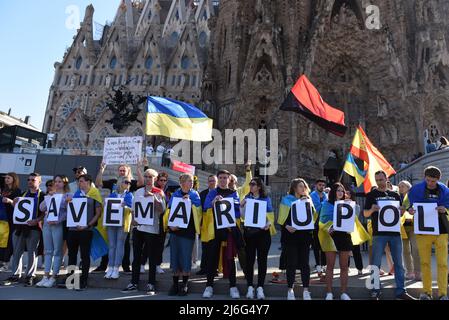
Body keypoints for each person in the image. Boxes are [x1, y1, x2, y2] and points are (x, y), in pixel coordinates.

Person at [364, 171, 415, 300]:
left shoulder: (395, 195)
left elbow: (400, 214)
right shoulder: (371, 195)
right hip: (378, 233)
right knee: (375, 263)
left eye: (381, 179)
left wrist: (403, 211)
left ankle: (401, 291)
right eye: (377, 180)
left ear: (386, 179)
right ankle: (375, 290)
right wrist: (372, 210)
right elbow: (365, 214)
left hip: (395, 232)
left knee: (399, 263)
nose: (379, 182)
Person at [319, 183, 369, 300]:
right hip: (330, 236)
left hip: (345, 236)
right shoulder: (327, 204)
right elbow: (322, 220)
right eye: (338, 190)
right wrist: (329, 227)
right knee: (330, 266)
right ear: (333, 192)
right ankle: (329, 293)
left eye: (342, 190)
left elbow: (353, 220)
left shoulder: (348, 204)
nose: (340, 192)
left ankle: (343, 293)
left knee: (344, 267)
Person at [406, 166, 449, 300]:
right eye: (428, 180)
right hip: (422, 230)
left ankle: (443, 293)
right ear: (424, 177)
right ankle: (426, 292)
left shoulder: (445, 190)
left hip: (441, 229)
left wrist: (445, 209)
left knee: (442, 263)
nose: (430, 183)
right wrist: (410, 210)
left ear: (438, 180)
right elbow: (407, 205)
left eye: (433, 181)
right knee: (425, 262)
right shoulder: (415, 190)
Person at [121, 169, 166, 295]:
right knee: (136, 257)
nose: (147, 179)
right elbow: (135, 209)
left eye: (150, 177)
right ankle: (133, 282)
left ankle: (151, 283)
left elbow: (161, 210)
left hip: (152, 229)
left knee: (151, 257)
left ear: (155, 179)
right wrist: (134, 220)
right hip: (139, 229)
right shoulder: (138, 191)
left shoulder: (159, 192)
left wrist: (154, 198)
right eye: (146, 176)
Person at [95, 162, 144, 273]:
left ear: (128, 172)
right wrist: (101, 170)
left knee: (123, 244)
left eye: (124, 170)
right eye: (120, 170)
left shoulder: (130, 183)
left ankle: (124, 266)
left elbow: (141, 183)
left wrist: (139, 169)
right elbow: (98, 183)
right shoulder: (113, 183)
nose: (121, 172)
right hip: (112, 218)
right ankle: (107, 266)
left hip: (124, 219)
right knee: (111, 244)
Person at [201, 169, 242, 299]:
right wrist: (213, 202)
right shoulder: (213, 192)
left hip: (229, 230)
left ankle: (233, 286)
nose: (223, 180)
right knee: (212, 258)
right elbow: (205, 206)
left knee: (230, 258)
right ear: (218, 179)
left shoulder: (233, 193)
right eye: (221, 178)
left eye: (226, 177)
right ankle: (209, 286)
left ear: (229, 179)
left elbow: (237, 211)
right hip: (215, 230)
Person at [163, 174, 202, 296]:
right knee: (175, 258)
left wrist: (190, 204)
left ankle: (185, 285)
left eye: (191, 181)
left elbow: (199, 211)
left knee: (186, 258)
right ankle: (175, 285)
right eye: (189, 181)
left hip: (188, 231)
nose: (191, 183)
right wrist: (170, 226)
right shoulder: (175, 194)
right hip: (175, 231)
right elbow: (169, 211)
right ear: (182, 183)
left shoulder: (195, 195)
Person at [4, 173, 45, 287]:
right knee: (17, 251)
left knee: (32, 252)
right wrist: (13, 203)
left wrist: (36, 220)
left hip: (34, 228)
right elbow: (18, 210)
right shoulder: (23, 194)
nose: (30, 181)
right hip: (20, 227)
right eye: (29, 179)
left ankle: (30, 276)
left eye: (33, 180)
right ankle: (15, 275)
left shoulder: (42, 195)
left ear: (39, 182)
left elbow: (44, 213)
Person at [278, 178, 315, 300]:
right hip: (291, 235)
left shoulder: (308, 200)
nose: (303, 188)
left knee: (305, 263)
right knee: (291, 263)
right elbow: (281, 219)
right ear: (294, 188)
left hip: (304, 236)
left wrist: (308, 203)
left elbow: (314, 217)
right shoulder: (286, 200)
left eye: (304, 186)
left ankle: (306, 290)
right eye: (300, 186)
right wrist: (287, 226)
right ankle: (290, 290)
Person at [240, 177, 276, 300]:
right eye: (250, 184)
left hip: (263, 234)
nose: (251, 186)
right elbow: (241, 215)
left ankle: (260, 287)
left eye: (253, 184)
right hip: (250, 233)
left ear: (259, 187)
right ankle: (250, 286)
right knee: (250, 260)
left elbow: (270, 216)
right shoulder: (246, 198)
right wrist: (241, 205)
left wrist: (268, 224)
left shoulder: (266, 199)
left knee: (262, 260)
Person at [66, 175, 102, 290]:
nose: (79, 183)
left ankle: (83, 280)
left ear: (88, 182)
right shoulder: (76, 194)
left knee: (84, 256)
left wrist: (88, 225)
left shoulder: (95, 193)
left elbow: (98, 213)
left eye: (81, 181)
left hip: (86, 230)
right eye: (78, 181)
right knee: (71, 255)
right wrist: (68, 203)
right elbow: (72, 210)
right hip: (73, 229)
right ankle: (71, 280)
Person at [36, 175, 70, 288]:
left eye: (60, 181)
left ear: (64, 183)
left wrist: (58, 220)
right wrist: (49, 197)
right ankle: (45, 276)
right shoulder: (51, 194)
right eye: (55, 181)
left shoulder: (67, 195)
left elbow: (69, 212)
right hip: (47, 224)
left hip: (57, 225)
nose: (57, 183)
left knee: (57, 251)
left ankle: (54, 276)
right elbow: (41, 208)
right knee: (48, 250)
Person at [104, 179, 133, 280]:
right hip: (112, 222)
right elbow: (108, 206)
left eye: (129, 183)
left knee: (119, 245)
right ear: (120, 183)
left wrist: (126, 206)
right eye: (126, 182)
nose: (128, 184)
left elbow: (132, 208)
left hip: (123, 223)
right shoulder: (112, 195)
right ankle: (110, 267)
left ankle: (116, 268)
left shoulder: (129, 195)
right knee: (112, 246)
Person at [398, 180, 421, 281]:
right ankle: (409, 272)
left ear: (408, 187)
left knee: (415, 249)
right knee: (405, 251)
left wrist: (408, 210)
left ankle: (418, 272)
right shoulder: (397, 198)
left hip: (413, 226)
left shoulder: (413, 196)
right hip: (402, 227)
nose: (400, 188)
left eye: (403, 186)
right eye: (399, 187)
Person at [0, 173, 21, 272]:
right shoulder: (4, 190)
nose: (6, 179)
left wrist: (10, 201)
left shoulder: (17, 191)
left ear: (14, 179)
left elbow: (19, 206)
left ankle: (6, 262)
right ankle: (2, 261)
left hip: (12, 219)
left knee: (9, 242)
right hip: (3, 219)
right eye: (6, 178)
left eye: (9, 178)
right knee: (2, 241)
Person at [197, 175, 217, 275]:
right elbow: (199, 210)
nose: (212, 182)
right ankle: (203, 268)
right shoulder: (203, 194)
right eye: (210, 181)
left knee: (215, 247)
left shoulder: (220, 192)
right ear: (207, 182)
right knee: (205, 247)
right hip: (205, 224)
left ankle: (214, 269)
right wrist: (199, 224)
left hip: (216, 224)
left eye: (213, 181)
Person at [310, 178, 327, 276]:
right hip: (315, 223)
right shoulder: (312, 195)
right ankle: (318, 264)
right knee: (316, 245)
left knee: (324, 245)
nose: (322, 187)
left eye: (323, 185)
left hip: (324, 223)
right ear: (316, 185)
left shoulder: (325, 195)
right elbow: (316, 207)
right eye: (320, 185)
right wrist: (326, 202)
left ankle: (324, 264)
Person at [345, 189, 364, 275]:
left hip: (353, 230)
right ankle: (346, 267)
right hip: (344, 230)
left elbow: (355, 216)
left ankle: (359, 268)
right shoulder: (340, 204)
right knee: (345, 250)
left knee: (356, 250)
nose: (346, 195)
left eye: (348, 193)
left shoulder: (356, 206)